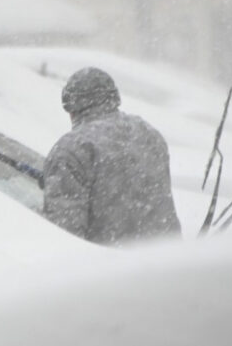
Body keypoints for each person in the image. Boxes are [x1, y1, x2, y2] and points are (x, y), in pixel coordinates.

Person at [42, 67, 181, 245]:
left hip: (110, 268)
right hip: (168, 263)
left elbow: (64, 235)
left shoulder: (72, 150)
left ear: (71, 107)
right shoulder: (148, 134)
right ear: (114, 97)